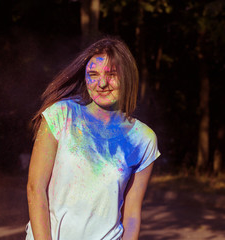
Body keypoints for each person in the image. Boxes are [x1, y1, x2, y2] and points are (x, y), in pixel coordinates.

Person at [25, 37, 160, 240]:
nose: (102, 83)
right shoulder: (60, 115)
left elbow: (131, 215)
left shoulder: (143, 139)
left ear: (128, 77)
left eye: (112, 74)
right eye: (93, 74)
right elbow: (35, 189)